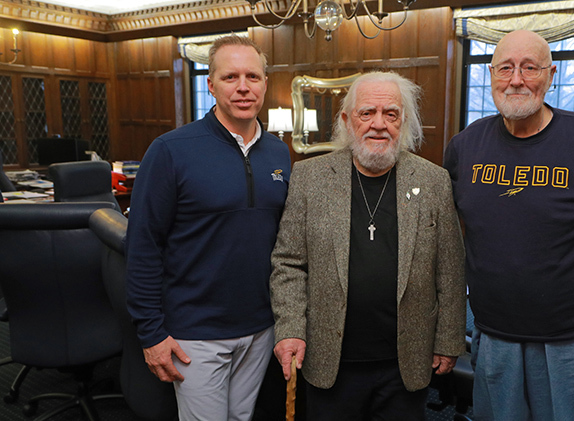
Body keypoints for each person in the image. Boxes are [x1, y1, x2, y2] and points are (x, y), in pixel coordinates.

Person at [443, 30, 574, 420]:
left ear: (550, 74)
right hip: (495, 331)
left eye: (529, 68)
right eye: (505, 68)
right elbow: (442, 235)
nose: (516, 79)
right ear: (491, 74)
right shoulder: (465, 145)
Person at [270, 71, 466, 420]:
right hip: (329, 358)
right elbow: (288, 263)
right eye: (367, 113)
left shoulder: (433, 180)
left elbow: (450, 268)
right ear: (347, 120)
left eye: (391, 114)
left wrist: (449, 340)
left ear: (403, 121)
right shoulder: (310, 177)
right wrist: (289, 330)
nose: (379, 124)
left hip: (406, 361)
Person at [126, 34, 291, 420]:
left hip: (260, 326)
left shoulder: (278, 152)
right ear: (211, 84)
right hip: (194, 331)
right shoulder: (171, 150)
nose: (243, 87)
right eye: (231, 77)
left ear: (266, 83)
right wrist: (150, 333)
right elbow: (143, 245)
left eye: (253, 76)